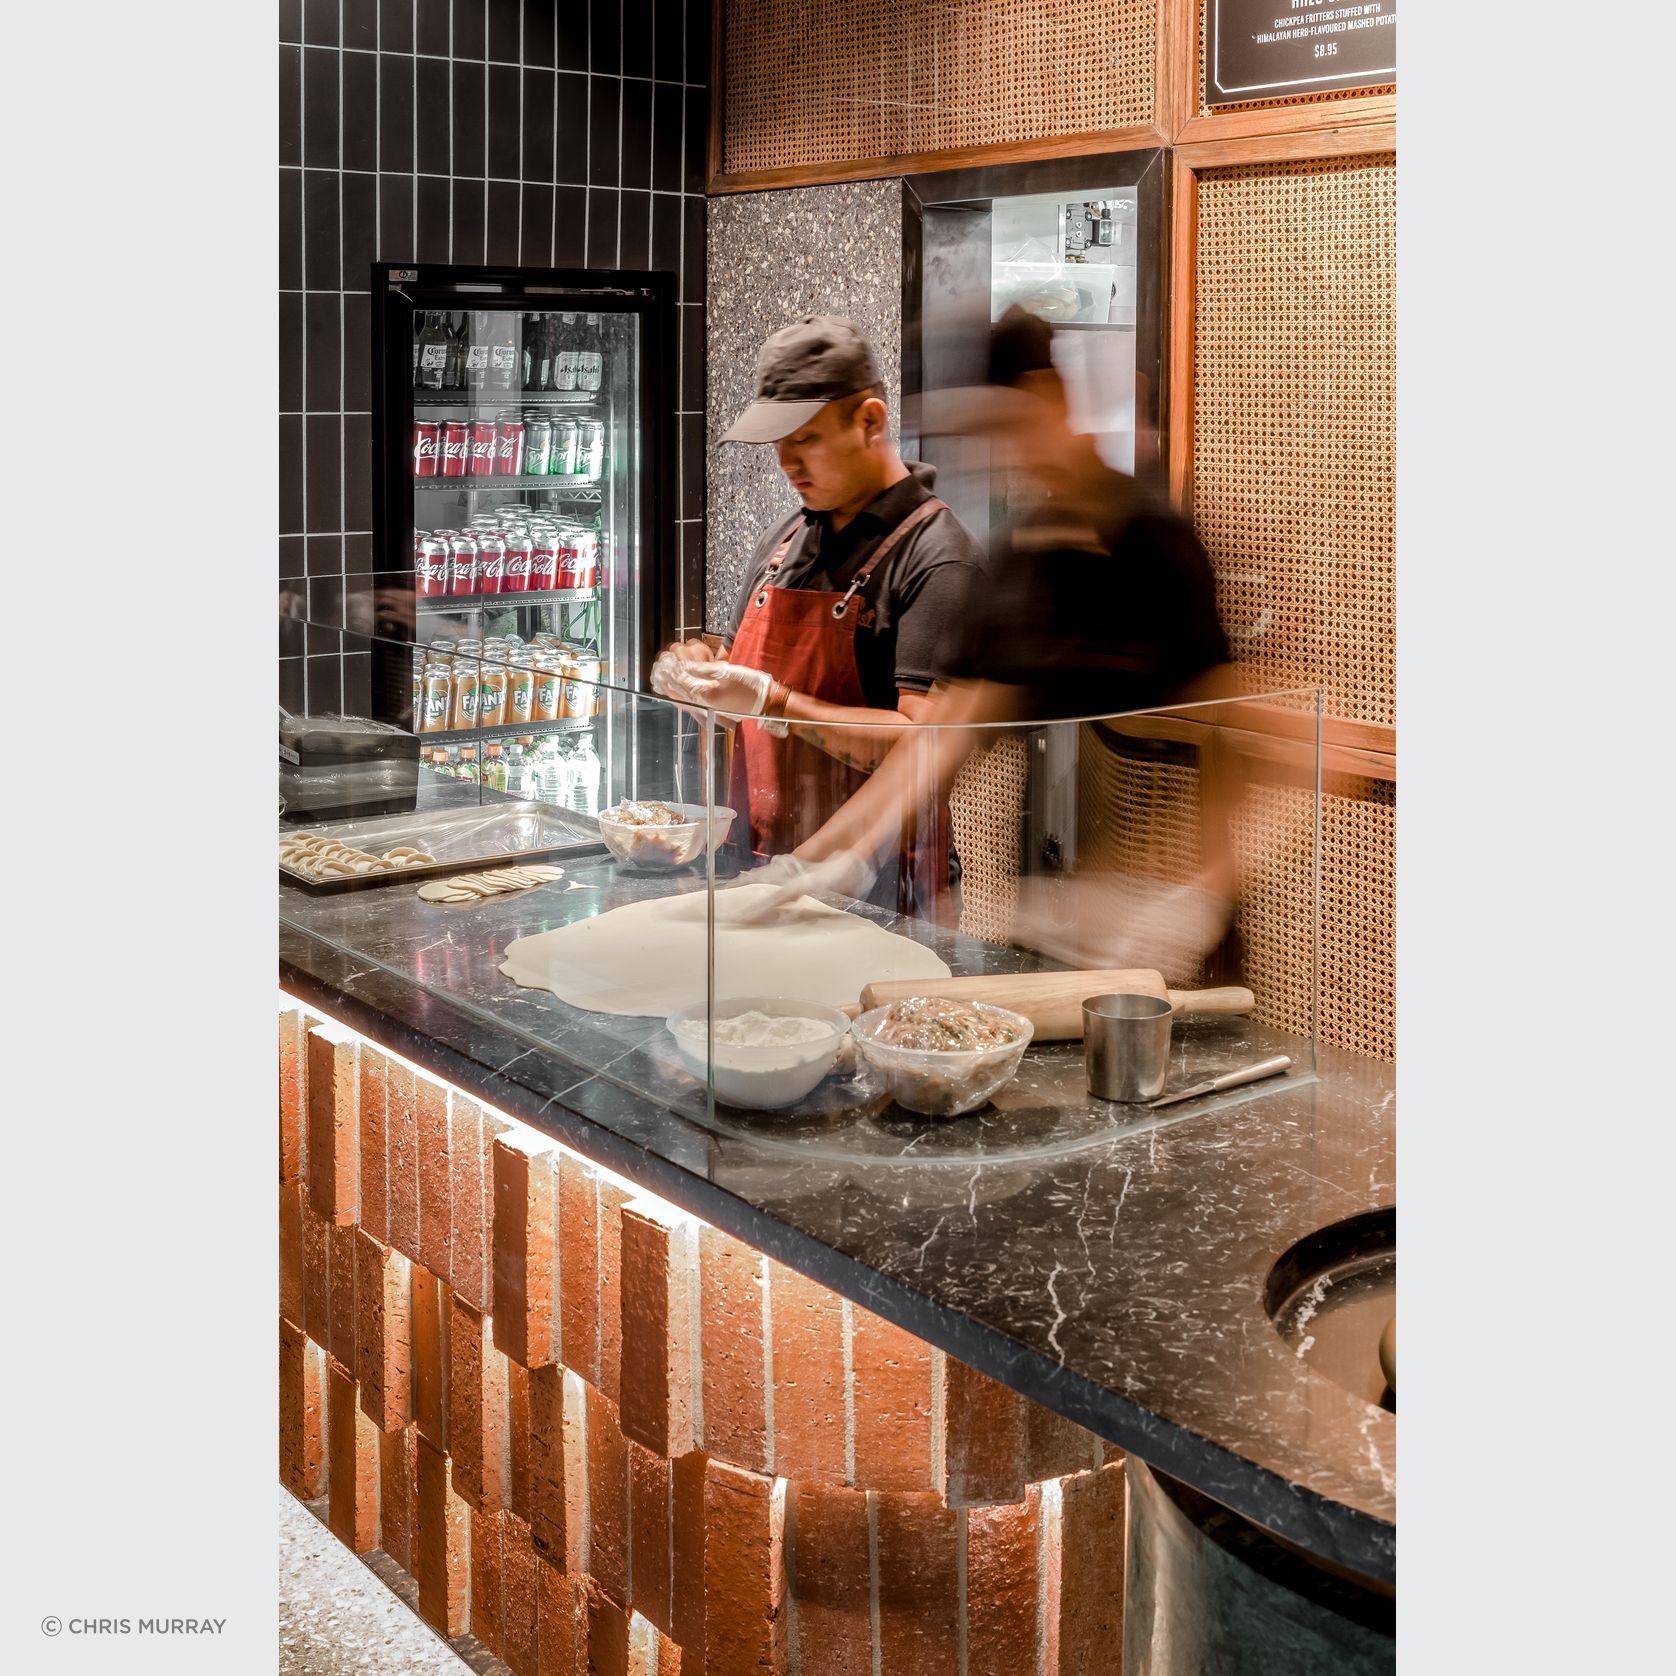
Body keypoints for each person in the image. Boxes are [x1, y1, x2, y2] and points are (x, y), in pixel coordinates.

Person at [742, 306, 1244, 973]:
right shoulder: (1021, 559)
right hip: (1056, 927)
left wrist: (1201, 891)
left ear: (1052, 399)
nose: (997, 451)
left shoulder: (1153, 543)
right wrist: (824, 860)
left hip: (1172, 939)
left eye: (1004, 426)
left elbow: (1234, 738)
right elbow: (942, 737)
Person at [651, 315, 981, 912]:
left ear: (870, 421)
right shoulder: (784, 540)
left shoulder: (937, 556)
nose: (786, 461)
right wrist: (696, 672)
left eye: (805, 438)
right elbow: (739, 677)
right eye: (778, 443)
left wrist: (773, 702)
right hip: (757, 865)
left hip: (879, 890)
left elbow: (924, 746)